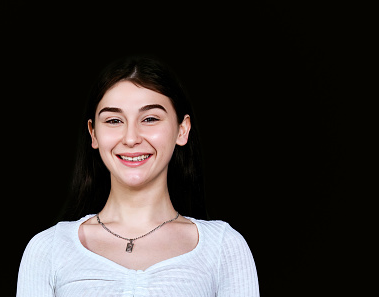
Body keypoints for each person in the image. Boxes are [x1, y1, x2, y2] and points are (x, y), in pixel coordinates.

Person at [16, 55, 259, 296]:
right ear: (93, 134)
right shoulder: (48, 249)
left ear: (182, 130)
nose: (131, 138)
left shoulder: (223, 248)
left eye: (150, 119)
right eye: (113, 120)